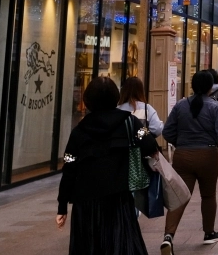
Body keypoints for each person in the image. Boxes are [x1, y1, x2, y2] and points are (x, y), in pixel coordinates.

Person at [56, 77, 158, 255]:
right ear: (115, 97)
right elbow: (150, 144)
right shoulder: (130, 122)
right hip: (119, 197)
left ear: (88, 101)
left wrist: (62, 206)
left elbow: (69, 167)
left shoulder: (79, 131)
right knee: (122, 244)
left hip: (86, 202)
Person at [161, 71, 218, 252]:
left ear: (192, 86)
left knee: (180, 196)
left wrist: (181, 143)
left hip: (182, 156)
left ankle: (168, 236)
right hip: (208, 155)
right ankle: (209, 233)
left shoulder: (181, 105)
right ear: (210, 88)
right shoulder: (215, 107)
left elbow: (167, 132)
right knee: (208, 195)